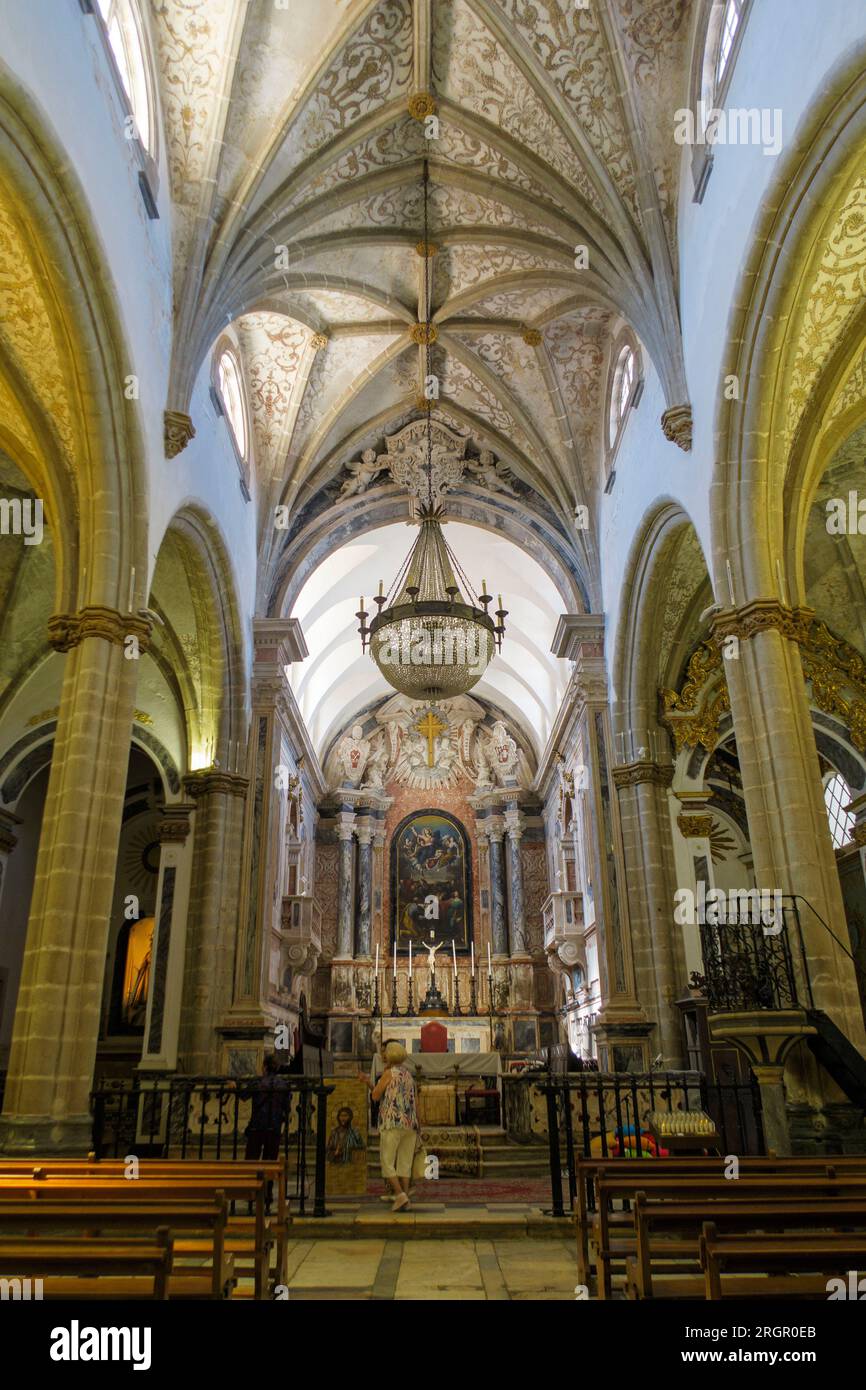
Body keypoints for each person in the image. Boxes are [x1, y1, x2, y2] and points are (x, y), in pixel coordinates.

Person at [358, 1040, 418, 1212]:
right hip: (409, 1123)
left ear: (390, 1054)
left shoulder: (389, 1073)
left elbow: (376, 1095)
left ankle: (399, 1195)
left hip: (392, 1122)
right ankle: (405, 1198)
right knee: (404, 1163)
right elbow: (414, 1100)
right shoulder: (408, 1074)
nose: (383, 1055)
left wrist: (368, 1083)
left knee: (387, 1161)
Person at [241, 1053, 290, 1161]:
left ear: (265, 1067)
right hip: (274, 1127)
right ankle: (268, 1178)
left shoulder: (257, 1082)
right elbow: (287, 1107)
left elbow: (243, 1096)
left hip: (257, 1126)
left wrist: (235, 1087)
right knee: (270, 1161)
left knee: (251, 1160)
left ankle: (252, 1177)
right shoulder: (283, 1084)